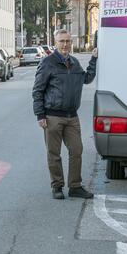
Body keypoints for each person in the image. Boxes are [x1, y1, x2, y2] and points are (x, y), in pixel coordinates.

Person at [32, 29, 98, 200]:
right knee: (54, 153)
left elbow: (87, 78)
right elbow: (38, 90)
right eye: (61, 41)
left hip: (72, 116)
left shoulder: (75, 63)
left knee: (77, 150)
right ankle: (57, 186)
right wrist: (40, 115)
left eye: (68, 41)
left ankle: (75, 186)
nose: (65, 44)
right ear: (55, 42)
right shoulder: (48, 63)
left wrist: (94, 59)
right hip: (52, 116)